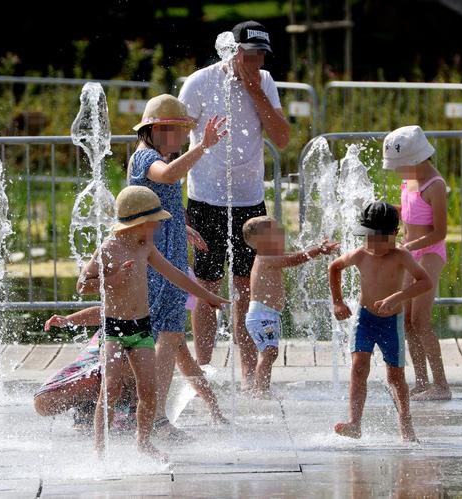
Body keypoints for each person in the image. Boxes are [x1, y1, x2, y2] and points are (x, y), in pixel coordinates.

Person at [77, 185, 228, 461]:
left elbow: (176, 275)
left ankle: (143, 441)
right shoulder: (108, 249)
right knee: (111, 387)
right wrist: (114, 280)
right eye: (154, 223)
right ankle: (99, 450)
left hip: (141, 329)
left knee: (149, 391)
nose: (157, 229)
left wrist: (208, 297)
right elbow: (82, 285)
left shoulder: (145, 247)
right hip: (115, 330)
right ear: (139, 223)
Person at [179, 20, 291, 388]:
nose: (256, 60)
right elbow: (177, 137)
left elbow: (283, 138)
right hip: (205, 196)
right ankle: (205, 369)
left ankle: (247, 372)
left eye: (261, 54)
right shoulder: (200, 82)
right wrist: (172, 199)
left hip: (248, 200)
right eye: (250, 53)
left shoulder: (265, 81)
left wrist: (254, 90)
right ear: (234, 50)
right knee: (207, 286)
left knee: (246, 288)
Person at [128, 93, 229, 441]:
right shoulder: (146, 158)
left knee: (175, 342)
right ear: (157, 129)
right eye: (179, 131)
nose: (185, 137)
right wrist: (203, 147)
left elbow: (156, 203)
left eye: (186, 131)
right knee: (169, 336)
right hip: (157, 264)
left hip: (169, 256)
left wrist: (181, 228)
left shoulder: (157, 157)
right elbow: (168, 177)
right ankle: (155, 419)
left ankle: (214, 410)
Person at [329, 201, 432, 442]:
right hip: (364, 319)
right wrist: (338, 301)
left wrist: (399, 296)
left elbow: (425, 282)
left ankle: (405, 423)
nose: (373, 245)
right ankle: (355, 423)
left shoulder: (401, 256)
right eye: (369, 237)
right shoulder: (360, 254)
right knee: (358, 367)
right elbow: (334, 267)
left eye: (379, 239)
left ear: (394, 234)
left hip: (390, 323)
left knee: (395, 377)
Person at [383, 125, 452, 401]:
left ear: (416, 159)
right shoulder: (409, 180)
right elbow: (410, 212)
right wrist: (389, 211)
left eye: (401, 166)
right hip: (411, 253)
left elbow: (440, 232)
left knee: (421, 320)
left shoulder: (435, 185)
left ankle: (442, 384)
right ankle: (422, 381)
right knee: (407, 322)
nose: (399, 172)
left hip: (430, 253)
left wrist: (409, 246)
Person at [242, 216, 338, 395]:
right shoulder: (265, 257)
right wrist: (317, 250)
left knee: (269, 353)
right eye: (275, 231)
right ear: (261, 241)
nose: (281, 233)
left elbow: (294, 256)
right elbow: (294, 260)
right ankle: (260, 390)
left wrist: (316, 248)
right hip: (262, 316)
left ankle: (261, 387)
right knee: (269, 352)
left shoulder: (269, 256)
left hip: (267, 315)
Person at [33, 307, 137, 432]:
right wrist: (68, 320)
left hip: (140, 346)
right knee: (43, 402)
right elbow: (107, 309)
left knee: (125, 361)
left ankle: (136, 408)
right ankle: (88, 404)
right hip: (106, 341)